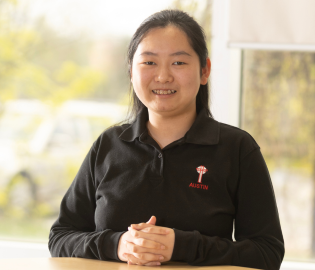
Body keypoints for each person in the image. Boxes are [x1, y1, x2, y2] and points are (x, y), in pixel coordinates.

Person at [48, 9, 285, 269]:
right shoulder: (108, 145)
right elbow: (61, 235)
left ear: (204, 71)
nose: (163, 77)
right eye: (149, 62)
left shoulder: (237, 148)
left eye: (178, 63)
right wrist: (118, 245)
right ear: (131, 72)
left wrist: (178, 246)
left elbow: (267, 252)